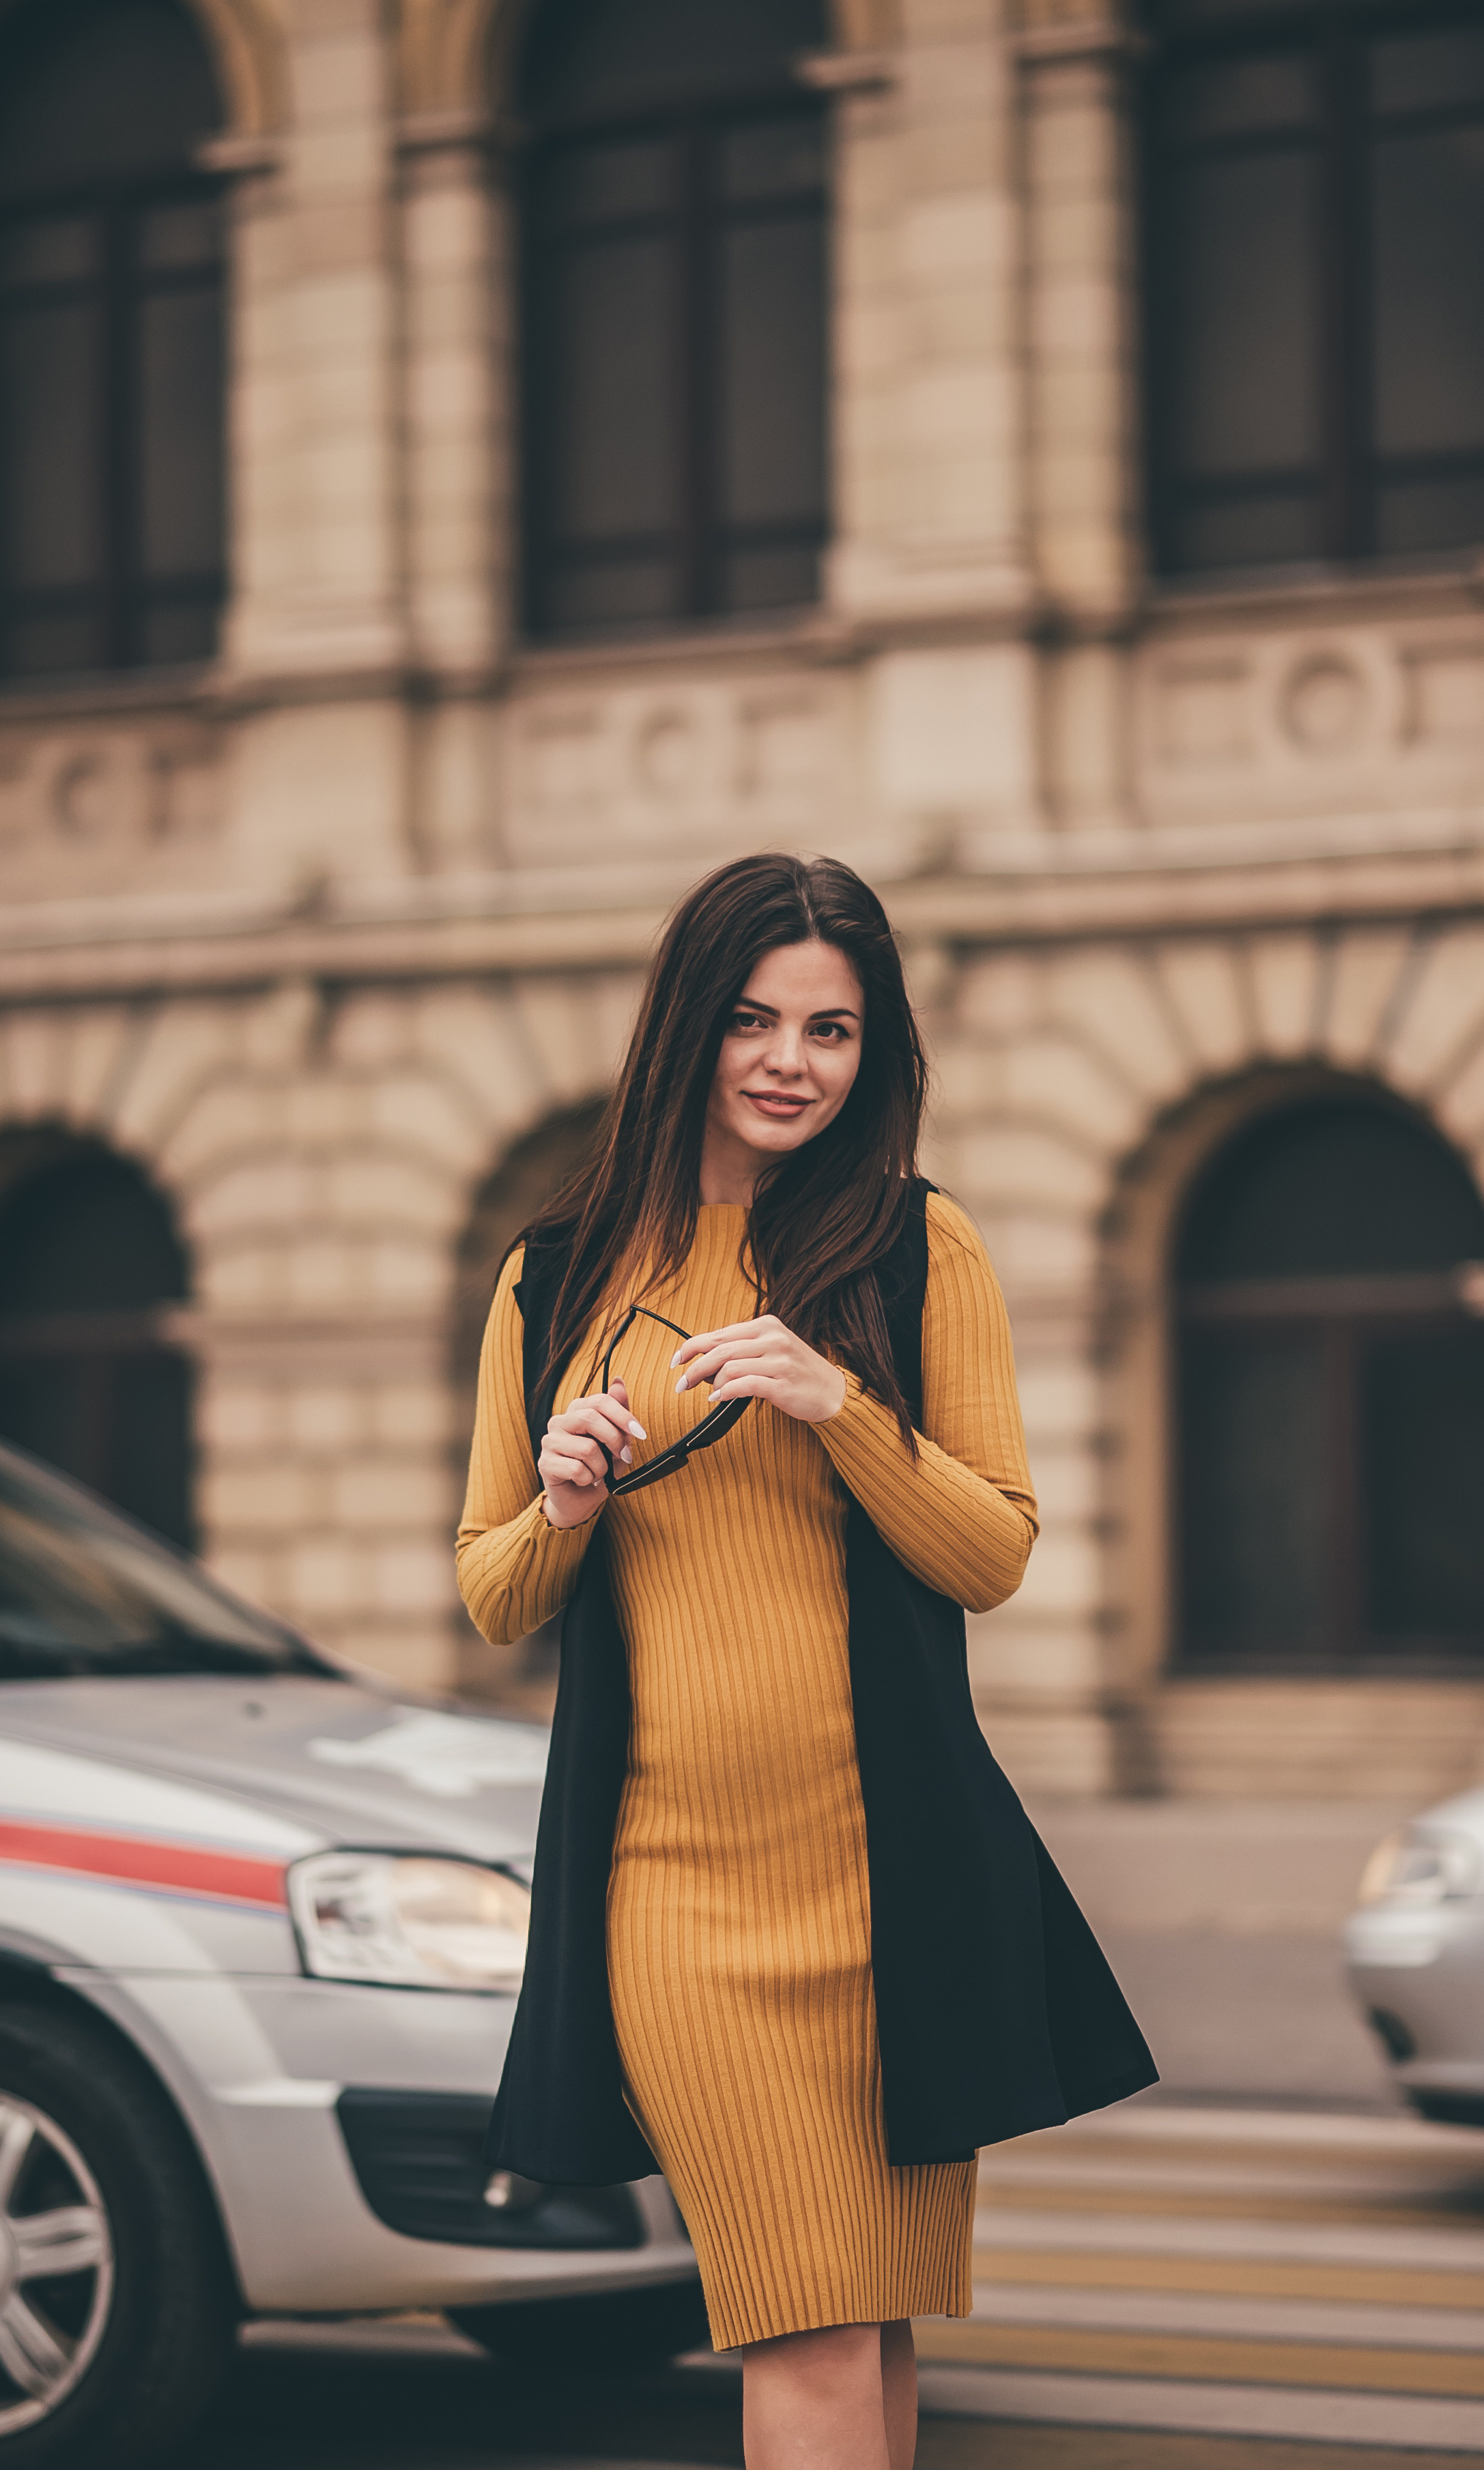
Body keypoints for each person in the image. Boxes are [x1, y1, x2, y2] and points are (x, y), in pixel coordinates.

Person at [457, 855, 1155, 2470]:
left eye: (834, 1029)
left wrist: (842, 1409)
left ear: (875, 1050)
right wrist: (562, 1501)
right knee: (814, 2324)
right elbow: (495, 1592)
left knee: (876, 2324)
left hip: (895, 1888)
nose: (792, 1061)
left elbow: (992, 1553)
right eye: (757, 1019)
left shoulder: (917, 1248)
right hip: (679, 1898)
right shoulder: (554, 1277)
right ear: (687, 1028)